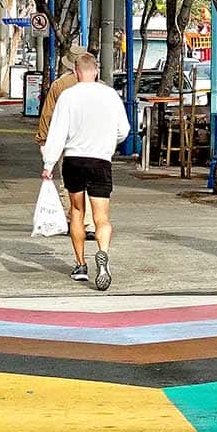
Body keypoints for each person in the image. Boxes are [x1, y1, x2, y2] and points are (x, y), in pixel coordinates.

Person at [41, 54, 129, 290]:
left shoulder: (68, 96)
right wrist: (109, 142)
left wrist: (49, 164)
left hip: (74, 160)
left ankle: (80, 264)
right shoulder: (110, 95)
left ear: (77, 73)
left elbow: (57, 132)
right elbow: (124, 130)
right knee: (102, 217)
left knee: (77, 212)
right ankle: (103, 253)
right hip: (100, 160)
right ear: (96, 72)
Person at [36, 44, 95, 241]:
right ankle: (91, 223)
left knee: (69, 184)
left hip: (67, 142)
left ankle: (74, 220)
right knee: (91, 183)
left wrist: (43, 140)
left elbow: (48, 114)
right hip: (93, 142)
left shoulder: (59, 85)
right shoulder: (99, 85)